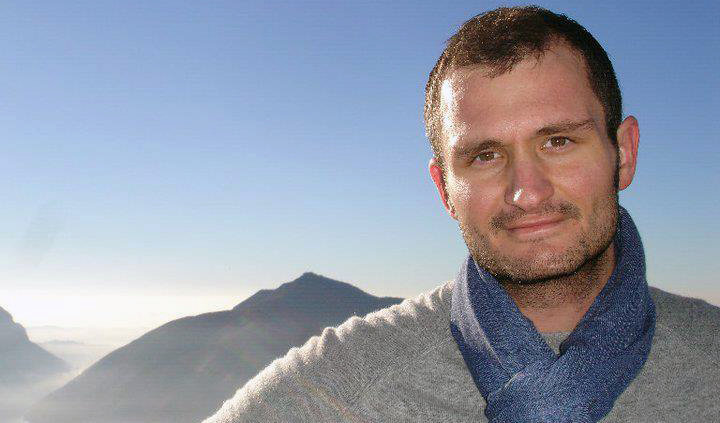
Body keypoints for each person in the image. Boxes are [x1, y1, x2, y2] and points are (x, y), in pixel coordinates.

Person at [203, 6, 720, 422]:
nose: (527, 192)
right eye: (485, 156)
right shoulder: (340, 387)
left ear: (624, 152)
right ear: (445, 190)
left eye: (559, 141)